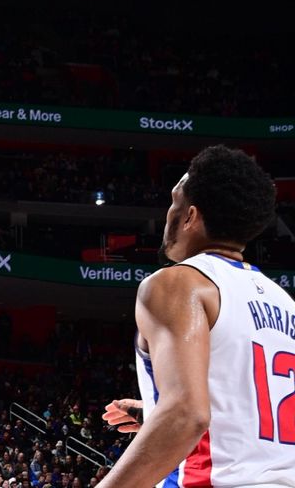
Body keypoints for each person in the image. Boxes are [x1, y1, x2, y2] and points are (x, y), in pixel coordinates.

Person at [100, 145, 293, 487]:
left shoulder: (178, 284)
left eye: (174, 202)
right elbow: (259, 418)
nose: (168, 213)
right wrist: (154, 411)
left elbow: (186, 415)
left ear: (189, 216)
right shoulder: (285, 302)